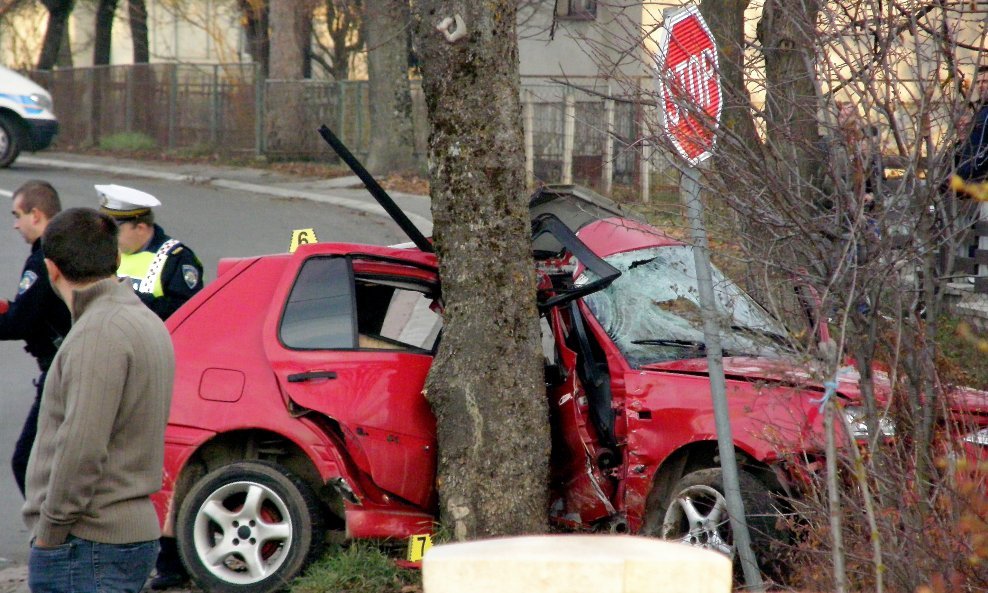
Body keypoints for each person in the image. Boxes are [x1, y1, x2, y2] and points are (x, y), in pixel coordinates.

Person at [22, 207, 174, 593]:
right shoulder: (142, 320)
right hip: (119, 537)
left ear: (52, 268)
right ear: (116, 257)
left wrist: (50, 532)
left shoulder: (98, 333)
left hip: (87, 542)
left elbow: (82, 447)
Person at [96, 184, 202, 589]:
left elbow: (188, 319)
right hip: (112, 373)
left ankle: (171, 562)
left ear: (140, 227)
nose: (111, 237)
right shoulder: (106, 255)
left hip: (154, 378)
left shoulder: (175, 259)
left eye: (116, 228)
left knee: (157, 471)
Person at [1, 180, 71, 497]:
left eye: (18, 214)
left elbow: (20, 322)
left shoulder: (43, 258)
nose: (15, 224)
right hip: (71, 364)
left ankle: (49, 537)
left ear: (37, 215)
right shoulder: (68, 247)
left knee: (27, 460)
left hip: (60, 370)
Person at [96, 184, 204, 321]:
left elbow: (186, 312)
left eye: (113, 231)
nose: (106, 237)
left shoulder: (177, 258)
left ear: (140, 228)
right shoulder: (103, 252)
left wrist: (124, 296)